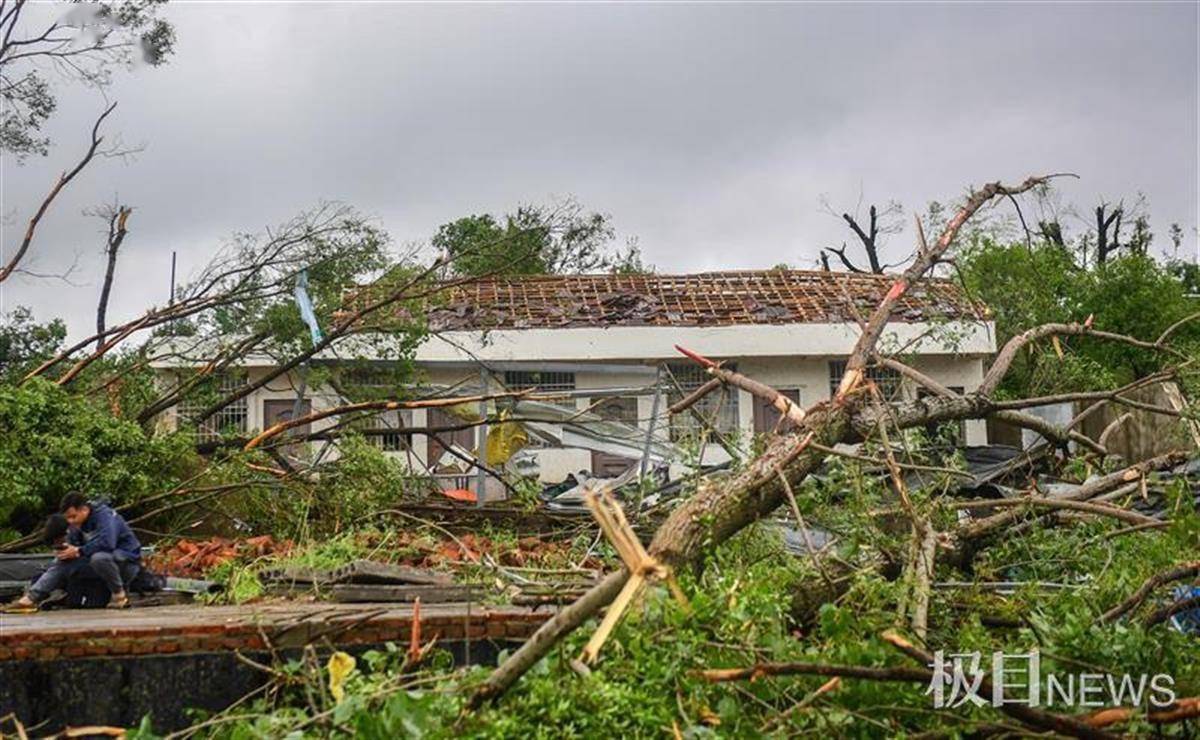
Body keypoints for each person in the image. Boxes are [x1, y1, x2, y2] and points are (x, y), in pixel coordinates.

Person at [11, 492, 142, 610]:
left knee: (100, 558)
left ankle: (119, 595)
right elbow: (75, 548)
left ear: (84, 509)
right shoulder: (76, 524)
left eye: (73, 517)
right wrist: (67, 552)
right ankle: (30, 599)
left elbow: (107, 543)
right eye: (67, 518)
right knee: (62, 563)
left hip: (124, 562)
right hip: (97, 566)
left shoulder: (105, 516)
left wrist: (79, 551)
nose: (70, 521)